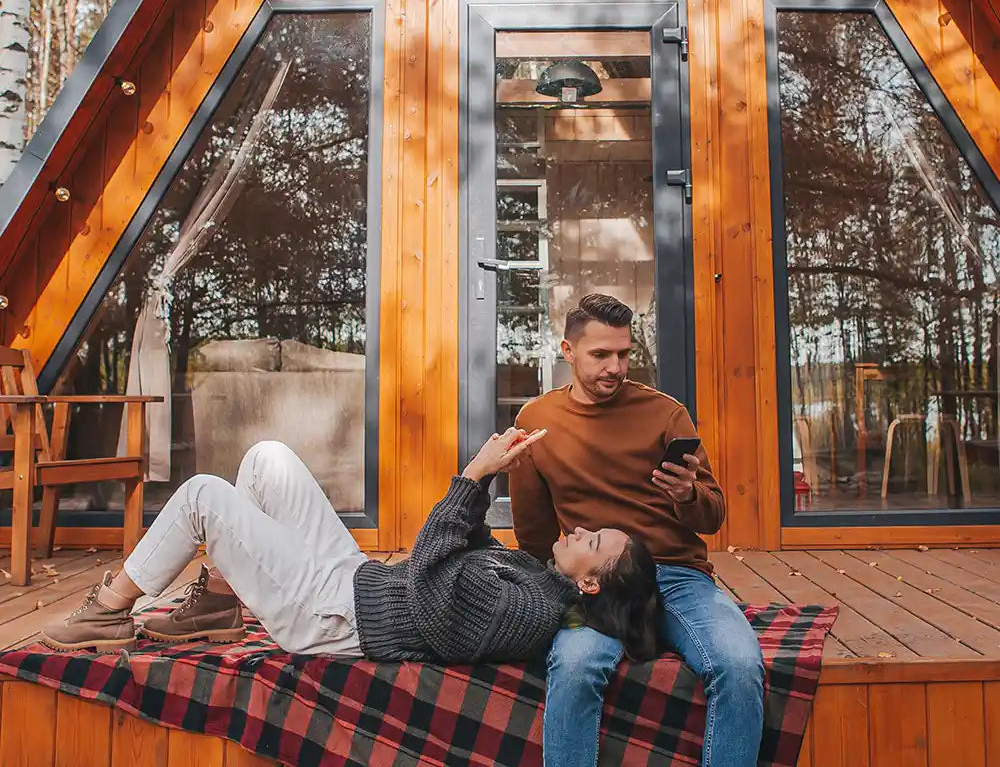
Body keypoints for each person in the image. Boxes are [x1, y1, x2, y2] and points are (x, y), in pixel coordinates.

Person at [41, 430, 661, 667]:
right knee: (267, 458)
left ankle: (108, 610)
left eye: (596, 542)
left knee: (204, 494)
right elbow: (462, 550)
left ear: (591, 583)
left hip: (333, 617)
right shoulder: (534, 575)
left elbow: (430, 584)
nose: (582, 530)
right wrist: (484, 479)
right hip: (354, 581)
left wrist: (472, 479)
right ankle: (218, 607)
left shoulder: (531, 612)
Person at [511, 293, 765, 767]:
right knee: (574, 666)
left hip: (676, 574)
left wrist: (688, 495)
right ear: (568, 352)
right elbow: (534, 532)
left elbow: (713, 516)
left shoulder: (665, 413)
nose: (615, 367)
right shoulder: (537, 422)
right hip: (598, 586)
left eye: (624, 354)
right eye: (600, 355)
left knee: (739, 664)